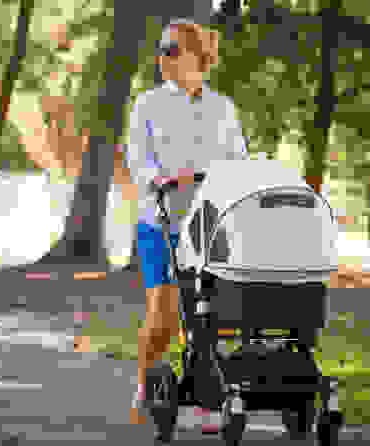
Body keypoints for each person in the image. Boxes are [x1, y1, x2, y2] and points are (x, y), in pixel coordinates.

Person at [127, 18, 247, 427]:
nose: (164, 56)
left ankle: (205, 399)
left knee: (204, 317)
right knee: (162, 316)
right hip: (159, 220)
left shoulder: (223, 109)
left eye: (173, 49)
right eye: (162, 49)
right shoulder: (148, 104)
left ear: (197, 56)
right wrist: (157, 181)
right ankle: (146, 383)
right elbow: (137, 159)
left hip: (207, 225)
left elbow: (238, 160)